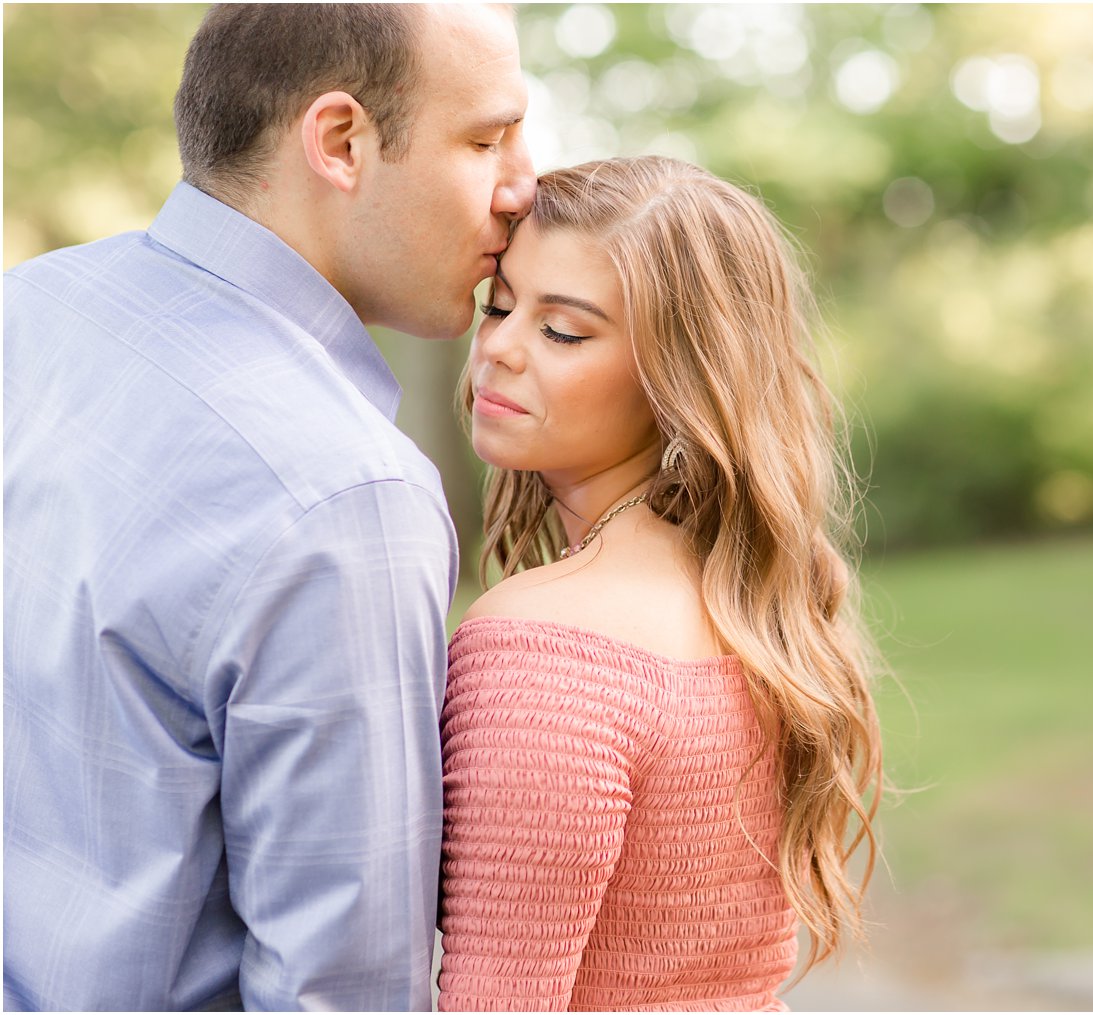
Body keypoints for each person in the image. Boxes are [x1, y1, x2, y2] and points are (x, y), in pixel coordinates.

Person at [2, 5, 533, 1010]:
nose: (523, 184)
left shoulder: (26, 312)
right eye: (486, 137)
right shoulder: (343, 496)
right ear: (340, 142)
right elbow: (345, 992)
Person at [437, 156, 884, 1011]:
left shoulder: (542, 649)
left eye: (562, 331)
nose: (497, 346)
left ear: (676, 378)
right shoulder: (758, 614)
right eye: (498, 306)